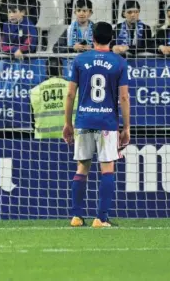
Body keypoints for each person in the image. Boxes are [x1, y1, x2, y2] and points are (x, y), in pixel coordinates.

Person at [62, 22, 131, 228]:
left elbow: (70, 94)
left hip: (84, 120)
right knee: (107, 168)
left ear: (92, 37)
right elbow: (124, 97)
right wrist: (126, 127)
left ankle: (76, 216)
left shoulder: (80, 59)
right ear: (112, 39)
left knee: (82, 167)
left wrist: (68, 124)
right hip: (107, 122)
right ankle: (101, 218)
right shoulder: (119, 62)